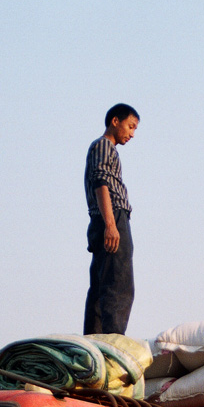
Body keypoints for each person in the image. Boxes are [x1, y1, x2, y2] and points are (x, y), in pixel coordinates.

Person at [83, 103, 139, 335]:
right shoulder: (104, 146)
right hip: (111, 216)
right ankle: (112, 342)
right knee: (118, 285)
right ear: (115, 121)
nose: (132, 134)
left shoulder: (101, 148)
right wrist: (111, 225)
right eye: (130, 126)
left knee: (101, 287)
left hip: (103, 219)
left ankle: (94, 343)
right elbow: (101, 183)